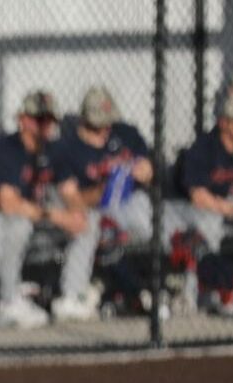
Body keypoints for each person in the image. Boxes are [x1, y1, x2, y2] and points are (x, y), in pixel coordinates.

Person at [0, 90, 78, 329]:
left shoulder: (52, 149)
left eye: (50, 120)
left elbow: (70, 191)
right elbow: (8, 203)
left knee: (85, 222)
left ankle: (73, 297)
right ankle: (7, 298)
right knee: (19, 225)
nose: (46, 126)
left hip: (32, 217)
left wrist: (77, 214)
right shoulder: (7, 148)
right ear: (23, 120)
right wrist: (54, 215)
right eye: (40, 120)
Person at [48, 87, 156, 321]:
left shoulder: (126, 134)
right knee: (87, 224)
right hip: (90, 209)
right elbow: (71, 198)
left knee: (147, 217)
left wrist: (141, 171)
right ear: (84, 121)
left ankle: (151, 289)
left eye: (107, 124)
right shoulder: (66, 148)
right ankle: (71, 297)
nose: (104, 130)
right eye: (97, 126)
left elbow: (148, 171)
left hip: (125, 206)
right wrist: (102, 191)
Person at [169, 90, 233, 313]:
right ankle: (192, 293)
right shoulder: (204, 147)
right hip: (189, 213)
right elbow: (199, 198)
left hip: (231, 211)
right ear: (224, 123)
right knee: (208, 224)